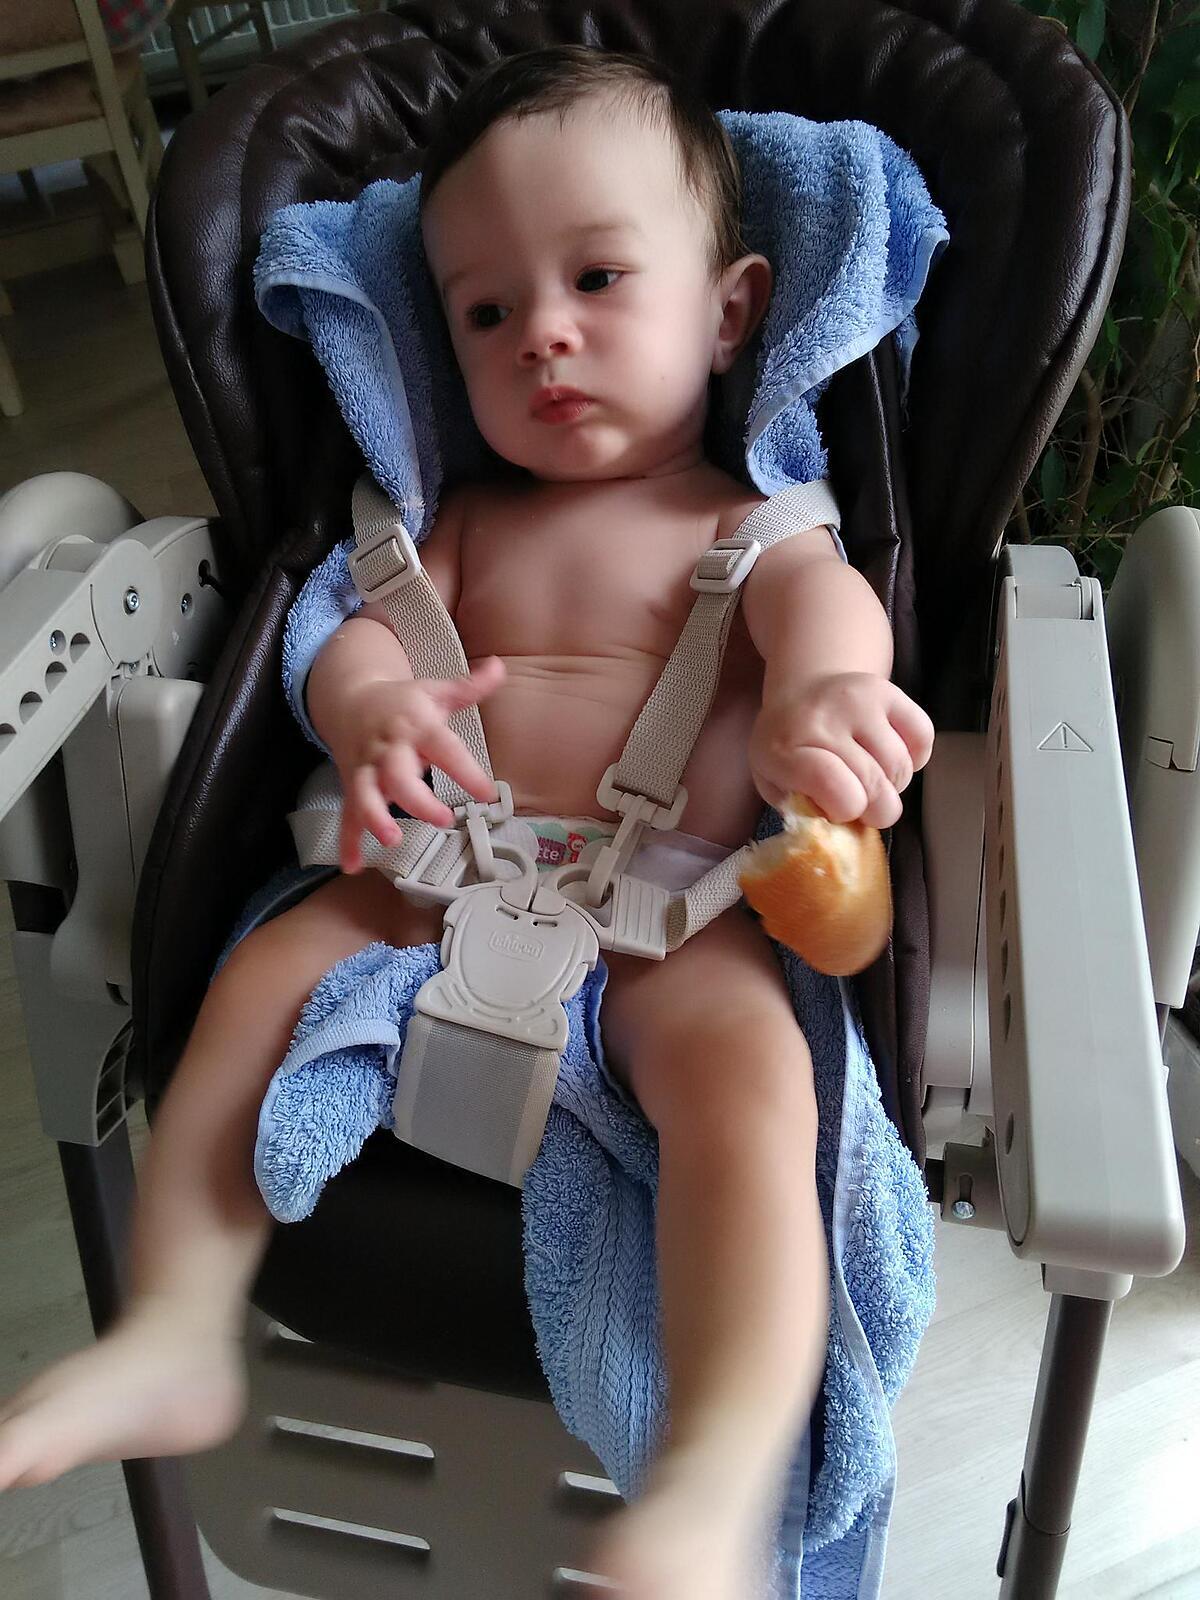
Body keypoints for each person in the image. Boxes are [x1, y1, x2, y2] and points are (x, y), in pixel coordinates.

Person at [0, 46, 934, 1600]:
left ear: (732, 311)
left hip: (670, 913)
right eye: (485, 313)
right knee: (253, 981)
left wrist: (822, 698)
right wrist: (372, 709)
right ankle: (177, 1326)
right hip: (435, 883)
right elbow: (350, 632)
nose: (541, 334)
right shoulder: (450, 521)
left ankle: (715, 1480)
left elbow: (830, 615)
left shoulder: (751, 521)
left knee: (754, 1089)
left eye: (598, 279)